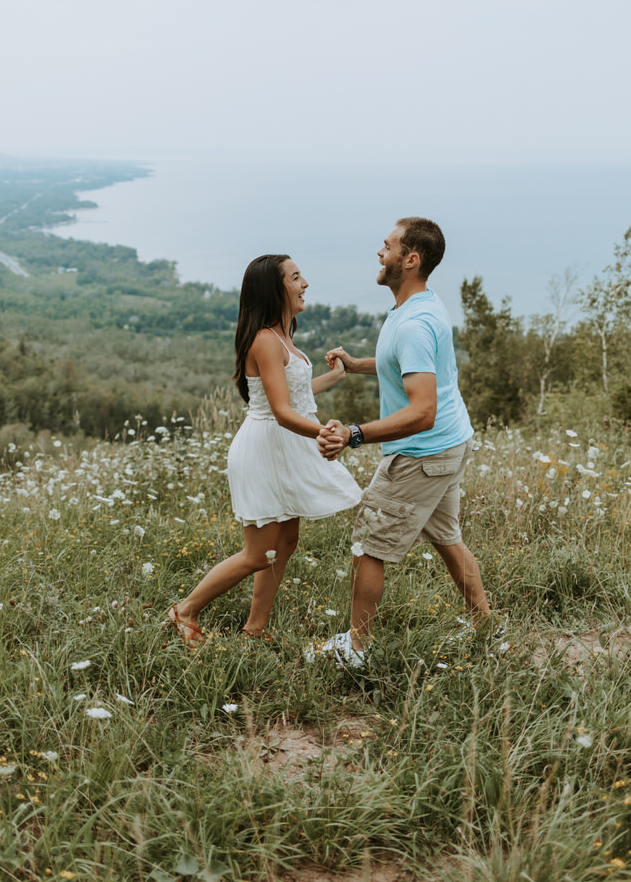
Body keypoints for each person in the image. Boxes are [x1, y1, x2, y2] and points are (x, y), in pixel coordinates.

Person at [313, 217, 491, 666]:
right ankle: (489, 630)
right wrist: (357, 365)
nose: (380, 252)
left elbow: (420, 412)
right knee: (448, 538)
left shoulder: (414, 322)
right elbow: (405, 363)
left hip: (423, 453)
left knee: (368, 544)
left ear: (410, 260)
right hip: (450, 445)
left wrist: (355, 434)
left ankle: (355, 648)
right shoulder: (420, 307)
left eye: (387, 246)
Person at [168, 254, 361, 646]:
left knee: (287, 542)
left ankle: (256, 628)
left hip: (283, 448)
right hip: (263, 450)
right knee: (258, 554)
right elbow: (282, 411)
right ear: (275, 289)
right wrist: (325, 431)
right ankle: (184, 610)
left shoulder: (281, 335)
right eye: (295, 277)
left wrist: (336, 375)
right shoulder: (265, 341)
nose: (305, 282)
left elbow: (295, 395)